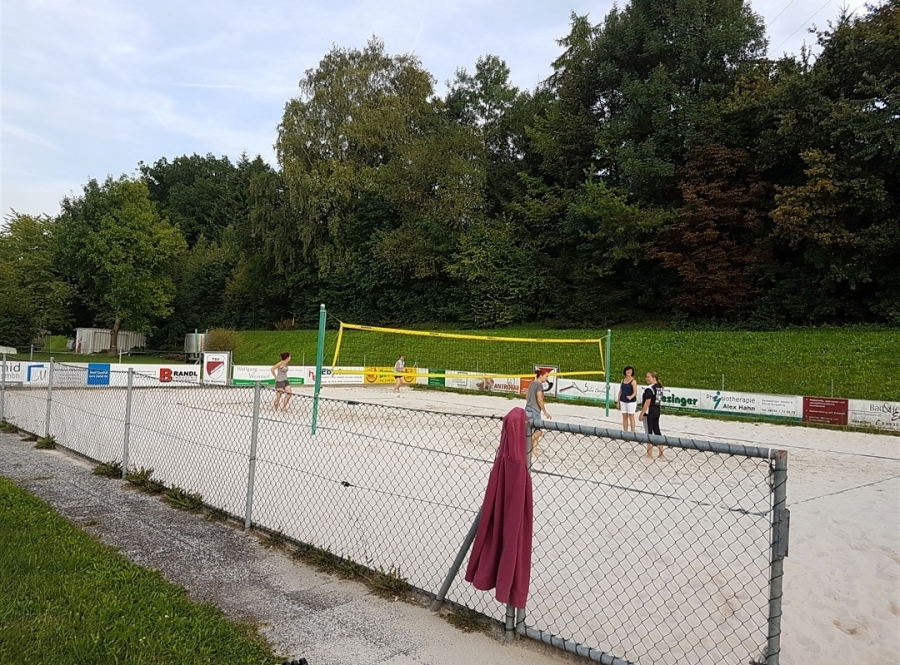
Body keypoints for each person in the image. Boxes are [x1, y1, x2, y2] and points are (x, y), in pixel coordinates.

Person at [525, 368, 552, 457]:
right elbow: (540, 399)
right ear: (541, 375)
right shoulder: (539, 385)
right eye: (546, 376)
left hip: (528, 409)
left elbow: (527, 395)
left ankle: (534, 451)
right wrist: (545, 412)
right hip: (534, 411)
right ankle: (524, 444)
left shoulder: (532, 383)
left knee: (534, 431)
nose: (547, 378)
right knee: (539, 432)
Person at [638, 371, 664, 459]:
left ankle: (649, 455)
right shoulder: (659, 387)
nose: (646, 378)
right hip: (657, 411)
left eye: (648, 377)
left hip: (649, 413)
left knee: (648, 432)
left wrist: (642, 413)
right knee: (657, 431)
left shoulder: (649, 388)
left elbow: (648, 402)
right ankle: (661, 454)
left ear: (654, 378)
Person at [617, 366, 638, 432]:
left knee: (631, 416)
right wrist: (618, 401)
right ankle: (625, 431)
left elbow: (635, 392)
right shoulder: (622, 380)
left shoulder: (633, 381)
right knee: (624, 416)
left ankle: (632, 432)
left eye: (630, 371)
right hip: (623, 400)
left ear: (632, 372)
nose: (628, 372)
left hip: (631, 401)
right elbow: (620, 391)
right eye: (627, 370)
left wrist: (631, 397)